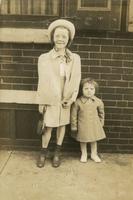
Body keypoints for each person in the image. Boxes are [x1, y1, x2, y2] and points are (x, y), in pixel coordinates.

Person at [37, 19, 81, 168]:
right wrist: (42, 102)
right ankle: (43, 152)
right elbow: (41, 81)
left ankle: (57, 152)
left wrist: (71, 98)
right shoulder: (44, 58)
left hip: (65, 98)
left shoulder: (74, 59)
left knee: (62, 126)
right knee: (48, 126)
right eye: (57, 36)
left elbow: (76, 79)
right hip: (50, 98)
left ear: (69, 39)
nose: (60, 39)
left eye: (64, 36)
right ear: (52, 38)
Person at [70, 78, 106, 163]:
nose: (89, 91)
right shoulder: (78, 102)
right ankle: (84, 154)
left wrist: (101, 124)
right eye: (86, 89)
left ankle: (94, 154)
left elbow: (101, 113)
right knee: (83, 140)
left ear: (95, 90)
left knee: (94, 140)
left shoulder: (98, 101)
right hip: (83, 125)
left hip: (94, 125)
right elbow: (73, 115)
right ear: (81, 90)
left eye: (91, 89)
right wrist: (74, 126)